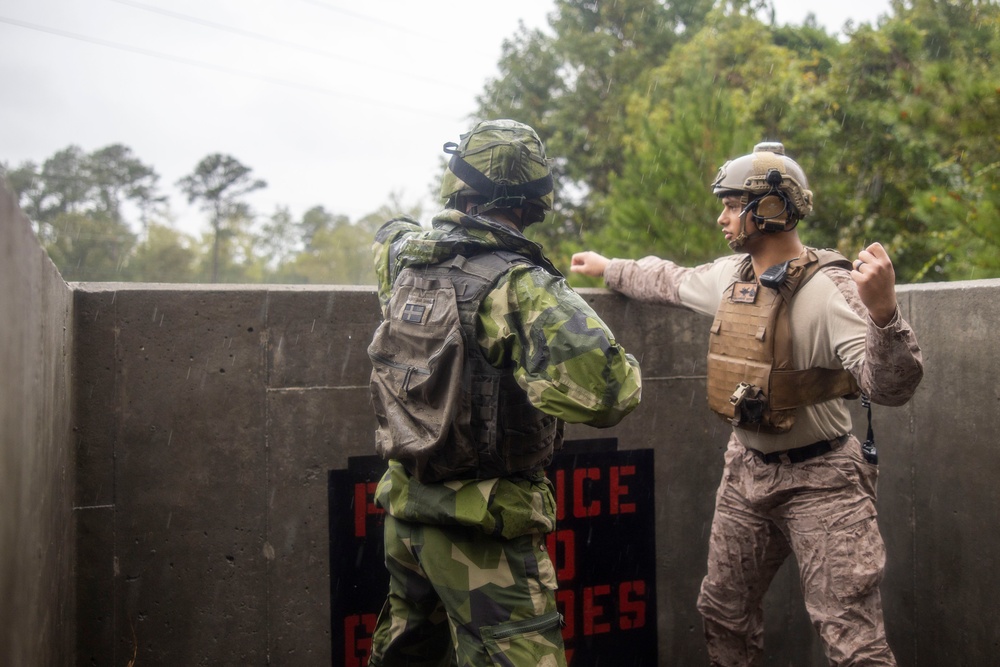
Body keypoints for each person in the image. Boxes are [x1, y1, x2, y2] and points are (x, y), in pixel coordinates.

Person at [570, 141, 923, 666]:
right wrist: (608, 268)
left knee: (853, 641)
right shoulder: (732, 278)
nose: (722, 217)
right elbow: (668, 280)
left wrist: (885, 315)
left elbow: (891, 388)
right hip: (746, 473)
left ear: (773, 209)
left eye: (733, 204)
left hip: (823, 481)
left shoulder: (829, 292)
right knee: (723, 612)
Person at [366, 119, 642, 667]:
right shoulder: (520, 285)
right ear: (537, 199)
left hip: (407, 517)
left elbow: (390, 232)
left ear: (458, 183)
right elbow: (610, 394)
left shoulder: (404, 260)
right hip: (481, 533)